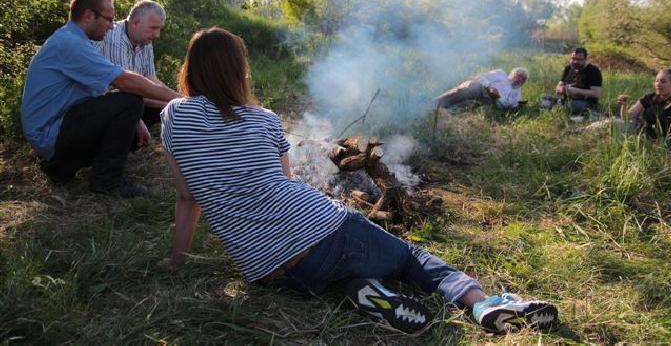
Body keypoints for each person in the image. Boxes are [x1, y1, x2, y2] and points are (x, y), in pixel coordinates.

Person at [160, 27, 558, 334]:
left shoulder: (173, 117)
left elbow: (188, 197)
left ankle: (369, 292)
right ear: (237, 70)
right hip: (323, 229)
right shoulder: (263, 118)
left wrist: (178, 261)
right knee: (410, 258)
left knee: (341, 264)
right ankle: (483, 304)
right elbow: (284, 181)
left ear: (190, 68)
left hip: (268, 271)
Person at [21, 0, 180, 197]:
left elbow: (98, 93)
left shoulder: (73, 40)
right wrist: (181, 99)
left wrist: (136, 120)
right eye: (108, 19)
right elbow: (124, 81)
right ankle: (107, 180)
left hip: (55, 127)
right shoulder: (70, 44)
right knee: (131, 101)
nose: (112, 25)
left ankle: (62, 167)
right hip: (50, 132)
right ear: (89, 15)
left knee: (131, 119)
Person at [94, 0, 170, 130]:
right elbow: (126, 88)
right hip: (98, 104)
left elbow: (151, 79)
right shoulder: (114, 38)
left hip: (126, 100)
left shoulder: (145, 41)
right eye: (153, 28)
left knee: (166, 108)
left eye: (159, 29)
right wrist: (174, 101)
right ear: (135, 23)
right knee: (146, 104)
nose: (157, 35)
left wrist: (178, 99)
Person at [434, 68, 528, 111]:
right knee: (470, 89)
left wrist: (517, 107)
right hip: (483, 89)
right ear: (512, 74)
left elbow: (512, 106)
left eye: (522, 79)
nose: (519, 79)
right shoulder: (501, 74)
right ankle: (436, 103)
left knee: (472, 104)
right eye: (518, 75)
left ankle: (444, 112)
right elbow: (482, 77)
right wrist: (490, 87)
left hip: (491, 103)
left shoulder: (517, 94)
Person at [617, 68, 671, 139]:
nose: (658, 84)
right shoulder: (649, 98)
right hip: (641, 134)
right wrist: (624, 105)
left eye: (663, 81)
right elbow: (626, 117)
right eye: (656, 81)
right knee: (610, 124)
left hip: (665, 141)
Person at [543, 47, 602, 114]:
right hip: (567, 100)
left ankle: (556, 110)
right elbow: (558, 87)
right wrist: (562, 89)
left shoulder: (593, 70)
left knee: (567, 106)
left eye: (579, 59)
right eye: (573, 59)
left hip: (586, 103)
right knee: (545, 99)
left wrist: (576, 91)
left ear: (585, 59)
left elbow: (596, 94)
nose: (575, 61)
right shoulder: (568, 68)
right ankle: (555, 109)